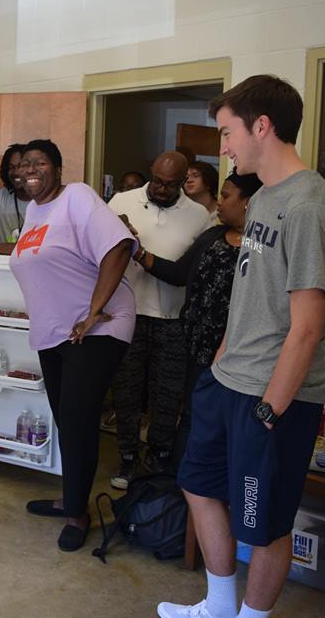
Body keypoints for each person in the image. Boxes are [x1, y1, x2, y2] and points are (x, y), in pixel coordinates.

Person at [158, 75, 325, 618]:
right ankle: (219, 604)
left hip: (271, 396)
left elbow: (307, 325)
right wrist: (219, 359)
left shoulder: (310, 206)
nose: (223, 147)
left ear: (261, 126)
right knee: (196, 483)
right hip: (226, 381)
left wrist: (274, 406)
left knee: (263, 523)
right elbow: (251, 294)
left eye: (226, 132)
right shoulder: (263, 197)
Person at [9, 139, 135, 552]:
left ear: (58, 169)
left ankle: (78, 514)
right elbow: (40, 255)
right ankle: (71, 497)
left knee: (77, 420)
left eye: (39, 162)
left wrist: (95, 311)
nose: (29, 169)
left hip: (93, 331)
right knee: (67, 420)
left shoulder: (77, 197)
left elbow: (118, 247)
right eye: (23, 164)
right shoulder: (33, 210)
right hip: (55, 331)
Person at [132, 169, 263, 464]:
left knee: (230, 422)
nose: (219, 203)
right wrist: (139, 253)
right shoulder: (213, 236)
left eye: (227, 196)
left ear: (248, 202)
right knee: (192, 416)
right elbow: (179, 273)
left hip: (241, 355)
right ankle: (181, 490)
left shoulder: (261, 246)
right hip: (197, 348)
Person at [106, 151, 210, 490]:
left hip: (172, 320)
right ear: (152, 172)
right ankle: (127, 458)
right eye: (159, 182)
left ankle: (158, 460)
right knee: (126, 392)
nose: (163, 190)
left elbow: (189, 273)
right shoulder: (122, 201)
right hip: (127, 314)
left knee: (167, 396)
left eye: (172, 185)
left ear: (183, 183)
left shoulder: (198, 216)